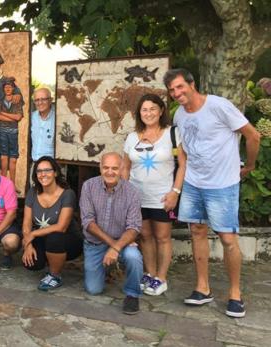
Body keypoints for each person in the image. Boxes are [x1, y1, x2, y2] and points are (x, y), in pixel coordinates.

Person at [164, 68, 261, 318]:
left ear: (191, 84)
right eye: (172, 90)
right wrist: (180, 184)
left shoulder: (219, 106)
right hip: (194, 184)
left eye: (179, 87)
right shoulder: (180, 117)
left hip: (222, 184)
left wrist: (248, 165)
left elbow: (253, 135)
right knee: (197, 232)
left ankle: (236, 294)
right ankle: (202, 288)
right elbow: (183, 150)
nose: (176, 93)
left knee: (228, 239)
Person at [121, 94, 185, 296]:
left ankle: (161, 278)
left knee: (163, 237)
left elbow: (183, 164)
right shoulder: (132, 137)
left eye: (152, 109)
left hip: (163, 197)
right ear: (139, 113)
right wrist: (125, 194)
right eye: (144, 110)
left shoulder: (172, 134)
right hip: (137, 197)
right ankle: (149, 273)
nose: (148, 113)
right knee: (145, 236)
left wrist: (175, 192)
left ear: (161, 111)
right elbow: (126, 167)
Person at [80, 152, 143, 315]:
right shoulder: (88, 186)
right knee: (93, 290)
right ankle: (106, 268)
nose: (110, 172)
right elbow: (88, 222)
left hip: (121, 243)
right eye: (106, 167)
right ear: (100, 168)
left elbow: (134, 227)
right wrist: (113, 246)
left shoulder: (133, 192)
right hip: (96, 243)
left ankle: (132, 294)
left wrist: (116, 247)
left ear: (122, 169)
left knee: (133, 257)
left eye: (115, 168)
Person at [22, 156, 83, 291]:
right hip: (43, 239)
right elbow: (26, 223)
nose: (43, 174)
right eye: (39, 171)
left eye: (47, 170)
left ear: (55, 172)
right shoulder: (33, 192)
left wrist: (33, 233)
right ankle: (52, 259)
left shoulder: (67, 194)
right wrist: (28, 244)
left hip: (68, 240)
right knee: (32, 264)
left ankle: (55, 275)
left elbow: (62, 227)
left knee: (55, 236)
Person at [0, 77, 23, 188]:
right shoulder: (0, 102)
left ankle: (13, 184)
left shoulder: (17, 102)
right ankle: (3, 183)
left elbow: (18, 116)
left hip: (13, 132)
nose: (7, 89)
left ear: (13, 88)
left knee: (13, 158)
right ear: (3, 89)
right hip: (3, 132)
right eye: (5, 87)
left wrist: (4, 114)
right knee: (3, 157)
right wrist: (13, 118)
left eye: (9, 87)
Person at [30, 88, 55, 162]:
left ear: (50, 100)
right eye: (37, 100)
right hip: (35, 163)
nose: (40, 103)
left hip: (53, 164)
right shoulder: (31, 117)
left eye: (43, 99)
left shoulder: (57, 119)